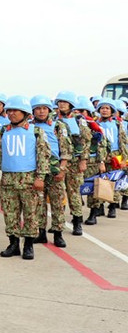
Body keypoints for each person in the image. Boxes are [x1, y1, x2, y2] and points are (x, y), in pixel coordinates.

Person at [0, 96, 50, 260]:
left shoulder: (35, 132)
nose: (11, 114)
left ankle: (28, 245)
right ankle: (13, 244)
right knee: (10, 213)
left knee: (30, 214)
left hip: (29, 180)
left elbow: (43, 156)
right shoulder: (3, 131)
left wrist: (40, 177)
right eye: (10, 111)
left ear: (25, 113)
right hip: (8, 180)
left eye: (15, 111)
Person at [30, 95, 72, 247]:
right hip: (36, 170)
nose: (41, 112)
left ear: (49, 110)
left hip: (54, 170)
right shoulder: (28, 126)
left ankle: (58, 233)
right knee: (38, 203)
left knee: (57, 203)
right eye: (38, 109)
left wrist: (62, 169)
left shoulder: (58, 126)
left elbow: (66, 150)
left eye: (44, 109)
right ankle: (40, 232)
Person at [55, 91, 91, 235]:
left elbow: (86, 141)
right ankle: (59, 223)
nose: (62, 104)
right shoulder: (53, 119)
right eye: (60, 101)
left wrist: (83, 160)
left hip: (75, 163)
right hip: (58, 162)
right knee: (58, 193)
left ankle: (77, 222)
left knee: (73, 193)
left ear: (71, 104)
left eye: (65, 102)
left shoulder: (79, 120)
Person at [78, 96, 110, 226]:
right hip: (77, 162)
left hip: (93, 161)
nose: (80, 114)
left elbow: (102, 145)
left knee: (93, 189)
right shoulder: (72, 125)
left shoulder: (95, 126)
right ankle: (77, 215)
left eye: (83, 111)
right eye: (77, 111)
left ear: (89, 112)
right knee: (76, 190)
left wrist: (101, 161)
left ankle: (93, 214)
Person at [96, 98, 127, 219]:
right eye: (102, 108)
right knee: (100, 180)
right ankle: (99, 206)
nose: (104, 110)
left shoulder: (117, 124)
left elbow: (122, 142)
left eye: (107, 108)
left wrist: (124, 158)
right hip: (102, 155)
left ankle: (113, 206)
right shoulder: (96, 124)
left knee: (115, 181)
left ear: (112, 110)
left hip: (115, 155)